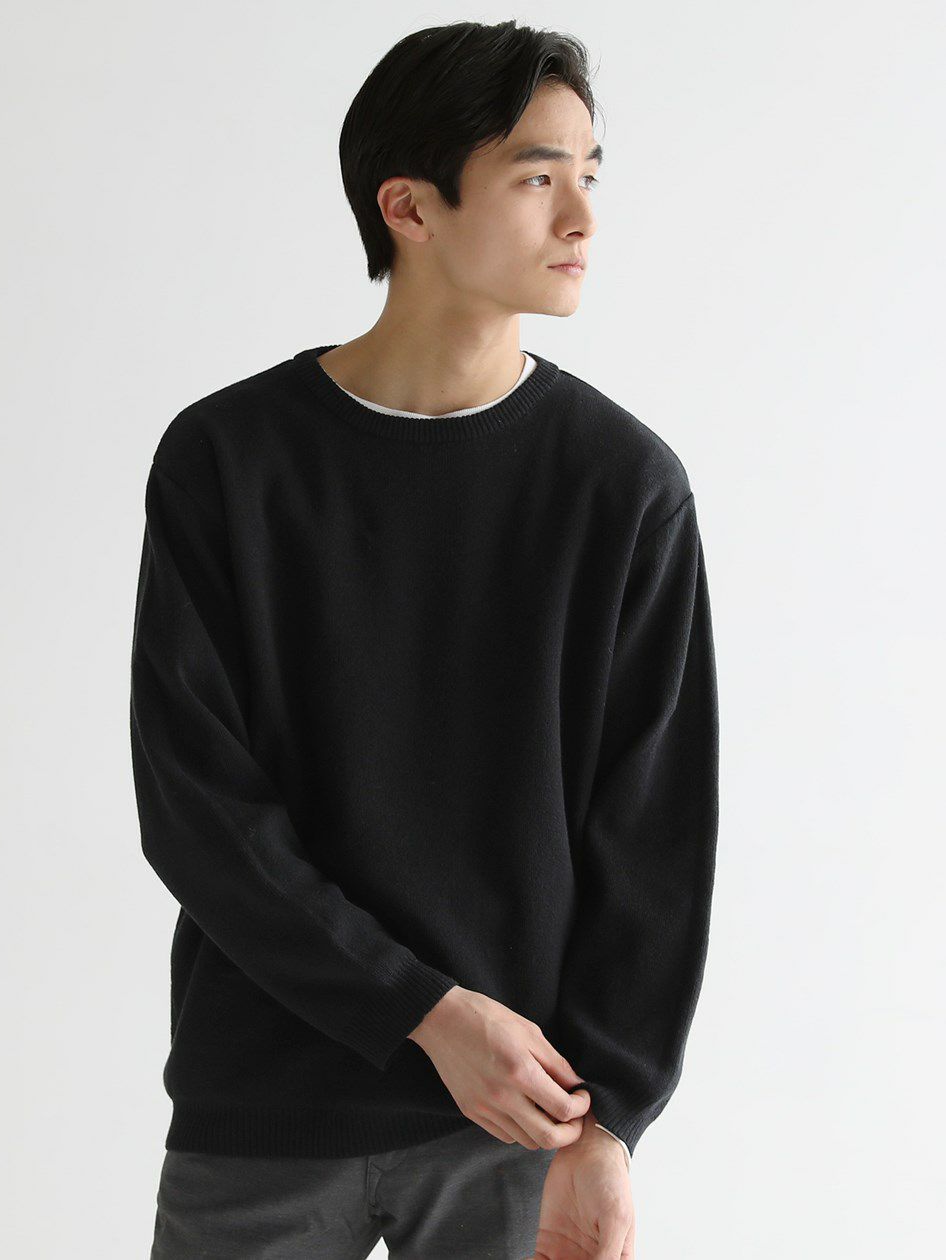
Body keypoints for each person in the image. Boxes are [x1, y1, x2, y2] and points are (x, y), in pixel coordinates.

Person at [130, 18, 719, 1260]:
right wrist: (428, 1014)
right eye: (538, 176)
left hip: (520, 1129)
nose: (583, 217)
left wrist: (609, 1124)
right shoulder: (229, 462)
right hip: (265, 1110)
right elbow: (198, 811)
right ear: (409, 206)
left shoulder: (623, 489)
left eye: (591, 174)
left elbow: (654, 836)